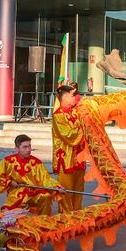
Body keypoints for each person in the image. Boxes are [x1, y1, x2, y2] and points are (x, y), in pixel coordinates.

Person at [0, 134, 63, 215]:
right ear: (17, 148)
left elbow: (46, 179)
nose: (28, 149)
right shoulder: (7, 161)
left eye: (29, 146)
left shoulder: (37, 163)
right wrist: (9, 182)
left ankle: (44, 221)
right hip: (16, 194)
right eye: (25, 147)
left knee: (46, 196)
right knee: (7, 214)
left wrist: (56, 187)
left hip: (34, 193)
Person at [51, 82, 87, 213]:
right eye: (73, 96)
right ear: (65, 97)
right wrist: (84, 127)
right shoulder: (58, 115)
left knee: (78, 191)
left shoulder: (77, 112)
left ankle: (77, 216)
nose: (75, 99)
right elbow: (69, 136)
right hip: (65, 158)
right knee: (66, 192)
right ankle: (66, 218)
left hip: (79, 158)